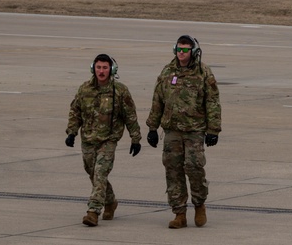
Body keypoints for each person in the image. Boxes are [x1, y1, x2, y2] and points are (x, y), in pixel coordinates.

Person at [145, 35, 222, 229]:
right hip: (172, 130)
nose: (181, 53)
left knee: (194, 168)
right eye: (179, 49)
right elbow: (158, 100)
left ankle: (199, 204)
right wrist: (152, 128)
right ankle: (179, 212)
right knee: (173, 171)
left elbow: (212, 102)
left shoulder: (204, 73)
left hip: (194, 130)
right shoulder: (167, 71)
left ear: (193, 51)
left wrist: (213, 130)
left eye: (186, 50)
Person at [66, 54, 142, 227]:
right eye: (98, 67)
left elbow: (130, 116)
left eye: (105, 68)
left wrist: (135, 138)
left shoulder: (120, 91)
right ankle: (110, 201)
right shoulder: (85, 89)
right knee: (92, 172)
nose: (101, 71)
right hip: (88, 139)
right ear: (93, 68)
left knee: (100, 173)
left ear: (112, 70)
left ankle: (93, 211)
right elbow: (75, 111)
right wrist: (72, 132)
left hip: (109, 139)